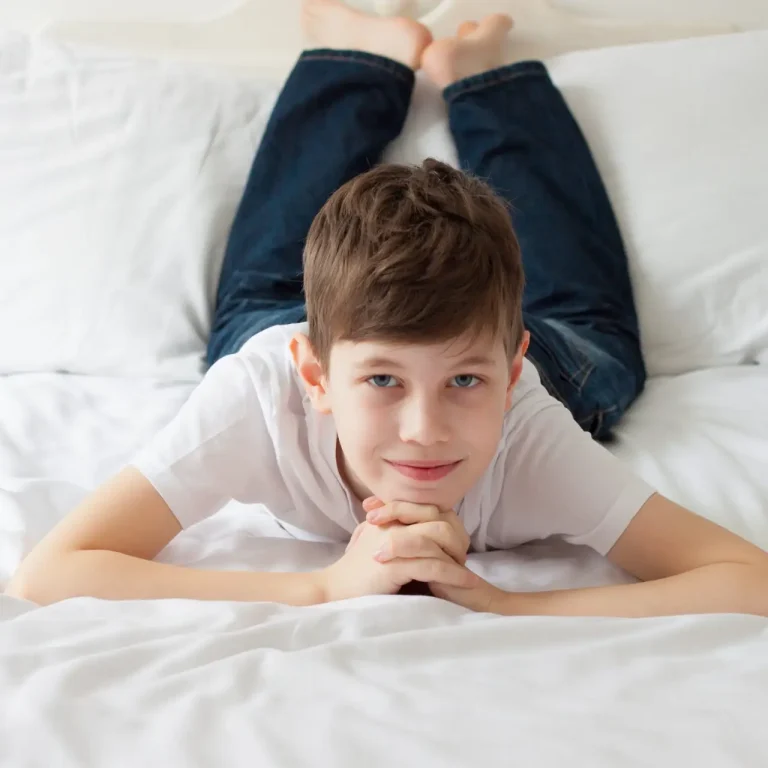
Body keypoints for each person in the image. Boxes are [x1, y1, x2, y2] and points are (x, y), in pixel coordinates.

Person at [7, 1, 768, 616]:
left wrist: (502, 605)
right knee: (257, 305)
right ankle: (354, 60)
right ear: (314, 375)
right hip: (283, 339)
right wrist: (321, 587)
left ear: (509, 375)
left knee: (594, 341)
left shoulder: (531, 432)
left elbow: (748, 578)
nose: (424, 430)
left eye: (466, 381)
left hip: (516, 364)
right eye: (383, 382)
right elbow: (51, 572)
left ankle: (489, 77)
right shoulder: (258, 395)